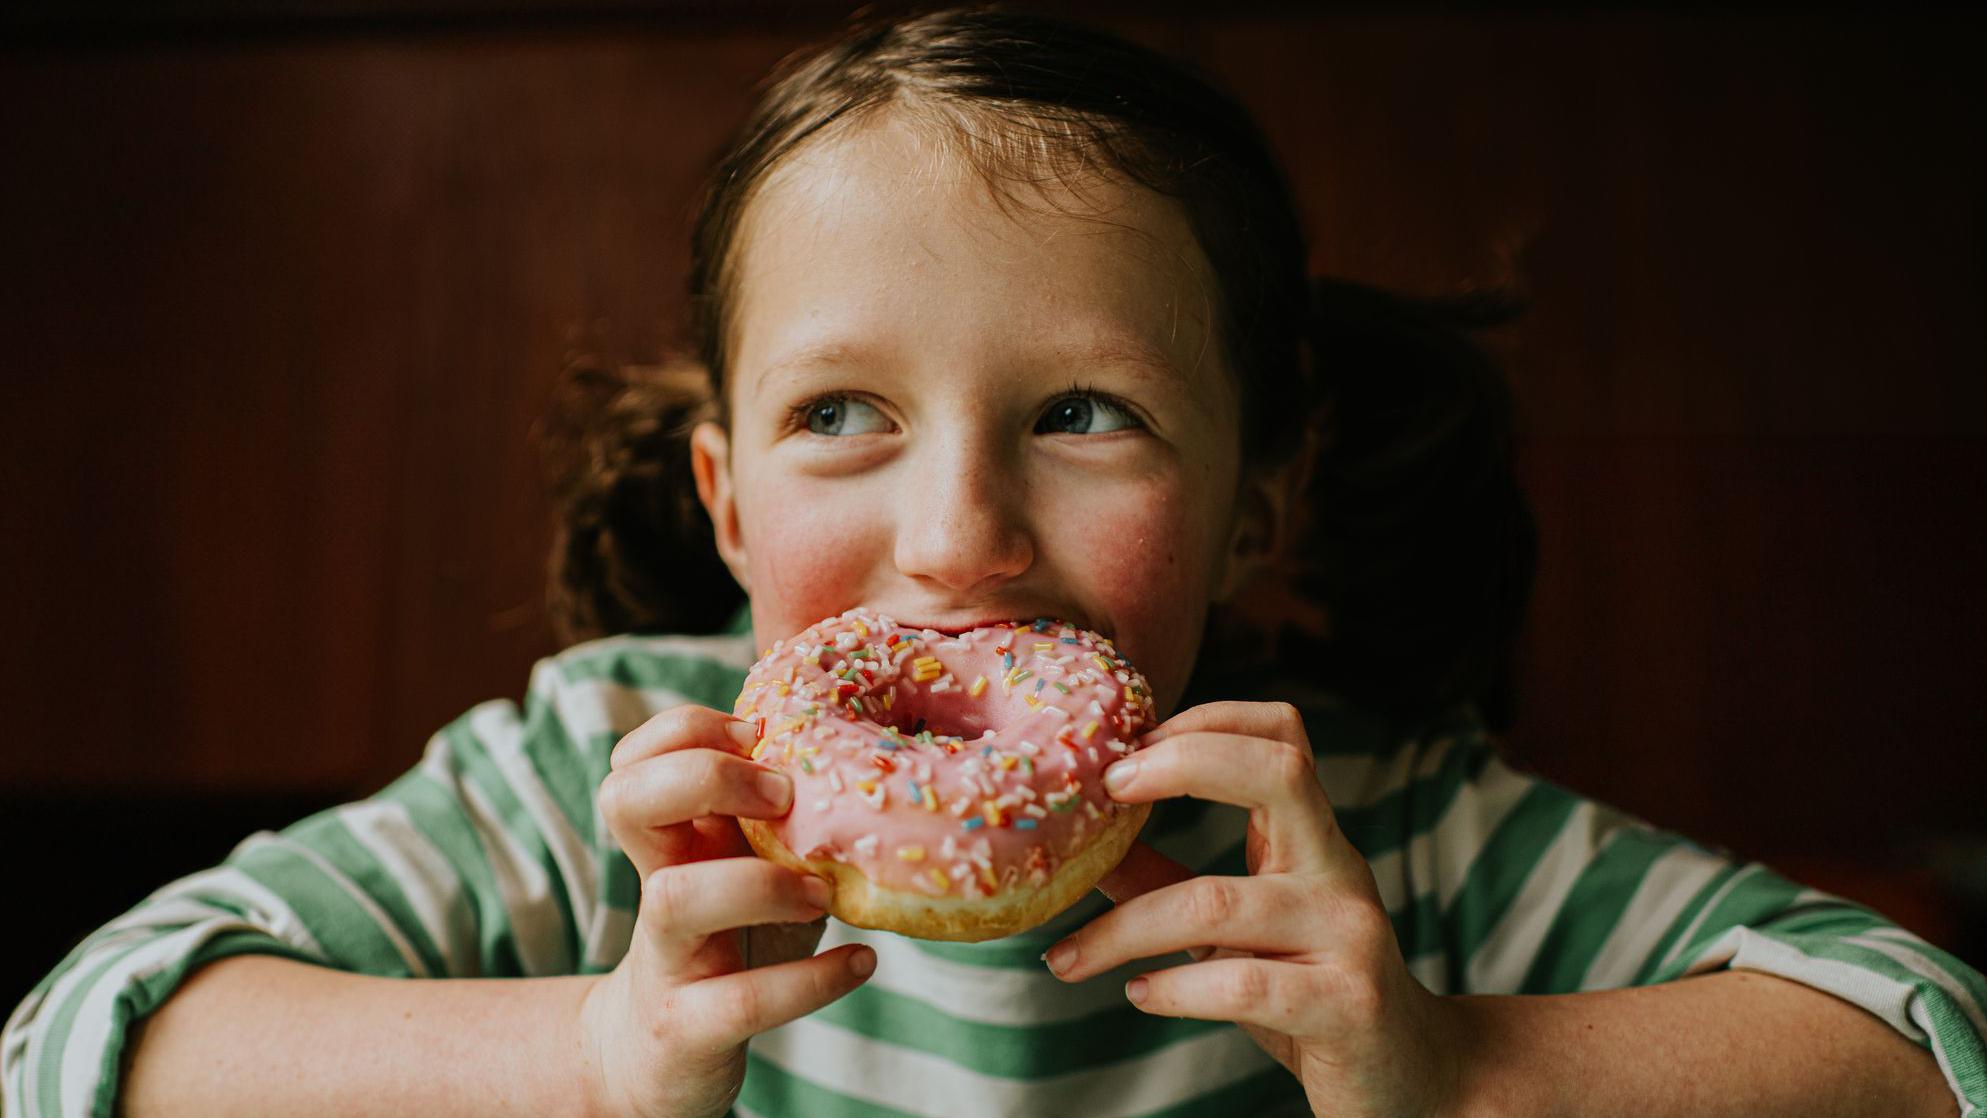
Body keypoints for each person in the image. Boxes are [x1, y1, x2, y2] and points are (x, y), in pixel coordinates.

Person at [6, 7, 1980, 1117]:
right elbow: (90, 1028)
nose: (953, 537)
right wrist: (589, 1053)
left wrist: (1455, 1066)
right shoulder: (604, 778)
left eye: (1082, 413)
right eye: (841, 415)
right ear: (721, 497)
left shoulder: (1368, 818)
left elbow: (1916, 1025)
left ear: (1256, 498)